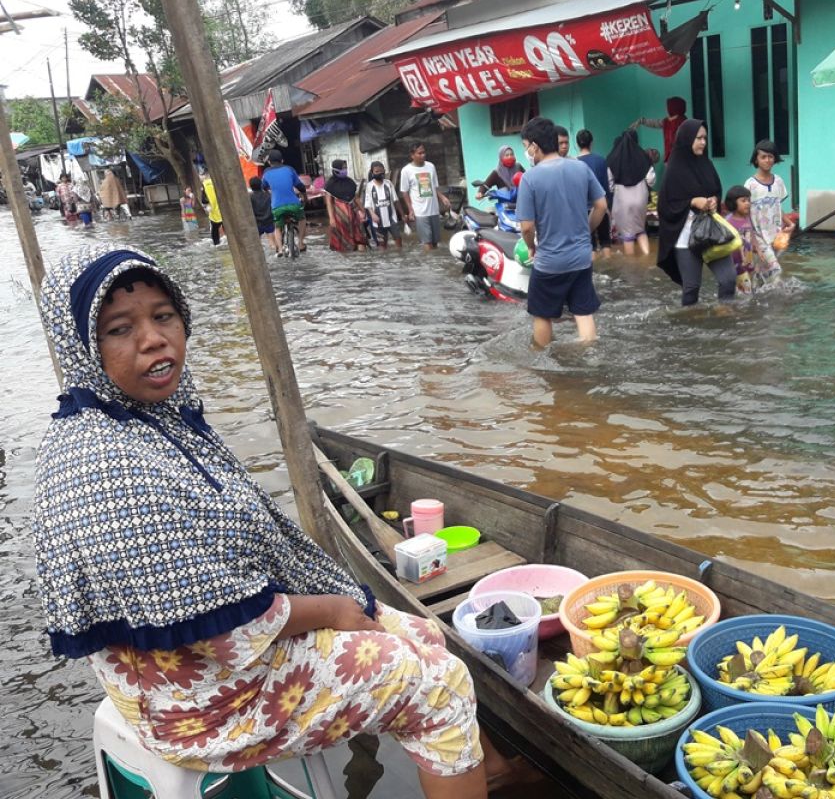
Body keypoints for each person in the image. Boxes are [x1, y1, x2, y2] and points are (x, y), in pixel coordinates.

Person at [31, 245, 506, 799]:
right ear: (82, 347)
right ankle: (458, 751)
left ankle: (479, 765)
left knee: (423, 631)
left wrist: (341, 610)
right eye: (119, 328)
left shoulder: (150, 420)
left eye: (163, 316)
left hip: (208, 667)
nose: (154, 338)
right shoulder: (108, 467)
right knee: (435, 683)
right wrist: (331, 608)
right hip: (205, 702)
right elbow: (220, 624)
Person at [515, 116, 607, 347]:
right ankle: (590, 355)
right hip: (581, 258)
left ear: (535, 145)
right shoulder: (580, 168)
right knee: (583, 311)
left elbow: (526, 226)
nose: (526, 152)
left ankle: (543, 363)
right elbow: (602, 206)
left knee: (542, 313)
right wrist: (585, 232)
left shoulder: (530, 178)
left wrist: (531, 246)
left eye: (526, 147)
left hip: (549, 262)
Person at [656, 120, 735, 306]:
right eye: (698, 138)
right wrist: (692, 202)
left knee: (729, 279)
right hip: (685, 236)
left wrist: (714, 200)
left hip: (711, 233)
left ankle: (726, 317)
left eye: (705, 138)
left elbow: (715, 188)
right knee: (691, 288)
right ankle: (689, 328)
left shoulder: (705, 164)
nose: (703, 142)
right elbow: (665, 206)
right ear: (686, 139)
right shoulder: (674, 170)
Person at [744, 139, 794, 285]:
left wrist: (789, 223)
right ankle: (778, 302)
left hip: (776, 235)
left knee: (761, 270)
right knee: (775, 270)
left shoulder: (778, 181)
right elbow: (745, 215)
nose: (767, 160)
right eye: (763, 157)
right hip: (758, 236)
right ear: (756, 159)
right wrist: (752, 240)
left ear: (775, 159)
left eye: (770, 157)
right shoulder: (750, 184)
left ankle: (751, 293)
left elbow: (777, 207)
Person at [606, 130, 656, 257]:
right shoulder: (644, 157)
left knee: (627, 234)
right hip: (641, 197)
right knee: (640, 229)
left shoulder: (613, 158)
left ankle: (632, 265)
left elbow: (609, 182)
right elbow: (651, 180)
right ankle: (647, 257)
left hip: (622, 198)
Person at [399, 142, 450, 252]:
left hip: (434, 210)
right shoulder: (406, 171)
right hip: (420, 211)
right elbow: (404, 192)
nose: (423, 155)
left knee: (436, 242)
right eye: (420, 153)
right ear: (412, 155)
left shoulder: (431, 166)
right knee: (427, 242)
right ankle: (429, 265)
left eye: (424, 152)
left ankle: (435, 265)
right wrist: (410, 209)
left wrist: (442, 198)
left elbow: (434, 186)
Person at [261, 149, 308, 254]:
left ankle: (281, 249)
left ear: (269, 162)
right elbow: (300, 186)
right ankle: (300, 243)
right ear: (282, 160)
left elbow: (263, 187)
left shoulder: (266, 172)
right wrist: (305, 197)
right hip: (294, 205)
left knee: (277, 226)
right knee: (302, 219)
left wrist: (270, 193)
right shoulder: (289, 169)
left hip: (277, 207)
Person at [575, 129, 612, 257]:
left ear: (577, 144)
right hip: (600, 207)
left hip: (582, 210)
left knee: (589, 244)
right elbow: (606, 186)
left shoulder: (574, 163)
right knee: (605, 241)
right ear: (592, 142)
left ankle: (595, 274)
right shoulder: (601, 160)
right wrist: (609, 207)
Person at [324, 159, 367, 252]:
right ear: (336, 169)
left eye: (346, 168)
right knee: (343, 243)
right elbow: (329, 203)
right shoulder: (330, 184)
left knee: (360, 239)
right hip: (339, 217)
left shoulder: (350, 182)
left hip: (353, 214)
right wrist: (331, 218)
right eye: (343, 168)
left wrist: (363, 211)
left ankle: (362, 261)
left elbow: (356, 198)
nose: (345, 170)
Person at [362, 160, 403, 250]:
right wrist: (373, 215)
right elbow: (368, 204)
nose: (379, 173)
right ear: (372, 172)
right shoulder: (369, 186)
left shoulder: (388, 184)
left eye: (381, 171)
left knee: (398, 240)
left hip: (392, 219)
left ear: (384, 171)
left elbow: (396, 200)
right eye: (376, 171)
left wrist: (402, 215)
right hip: (378, 222)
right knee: (382, 245)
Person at [633, 96, 688, 162]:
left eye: (669, 107)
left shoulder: (684, 123)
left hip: (681, 159)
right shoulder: (666, 122)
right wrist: (642, 121)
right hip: (670, 159)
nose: (667, 109)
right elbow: (655, 123)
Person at [724, 185, 755, 294]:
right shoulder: (728, 221)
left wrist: (758, 250)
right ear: (733, 203)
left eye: (749, 200)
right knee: (746, 293)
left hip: (748, 260)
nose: (748, 203)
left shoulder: (747, 218)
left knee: (747, 290)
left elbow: (751, 235)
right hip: (735, 264)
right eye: (743, 201)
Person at [249, 176, 279, 255]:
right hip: (269, 221)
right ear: (261, 185)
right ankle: (277, 252)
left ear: (250, 186)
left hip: (257, 223)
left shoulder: (250, 197)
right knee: (272, 243)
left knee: (257, 245)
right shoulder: (268, 195)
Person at [200, 168, 223, 246]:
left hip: (213, 210)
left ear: (206, 175)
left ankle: (216, 243)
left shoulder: (205, 184)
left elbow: (204, 200)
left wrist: (206, 206)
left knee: (214, 229)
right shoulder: (219, 181)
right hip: (224, 209)